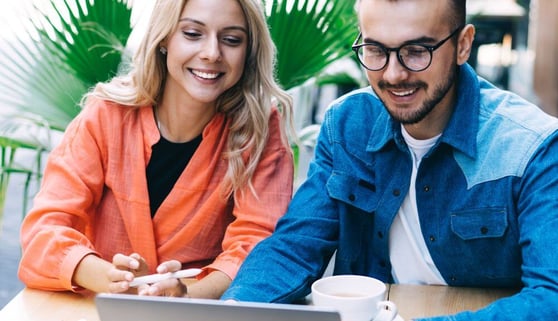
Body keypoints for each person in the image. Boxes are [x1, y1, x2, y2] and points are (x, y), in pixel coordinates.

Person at [219, 0, 558, 320]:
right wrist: (234, 310)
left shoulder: (532, 146)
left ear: (463, 45)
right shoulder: (348, 125)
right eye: (376, 50)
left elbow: (551, 296)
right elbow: (295, 246)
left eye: (416, 51)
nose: (393, 75)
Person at [18, 0, 294, 299]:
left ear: (248, 52)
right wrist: (112, 277)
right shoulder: (106, 115)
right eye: (192, 33)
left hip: (200, 313)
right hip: (95, 307)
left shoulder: (260, 128)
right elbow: (44, 231)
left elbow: (258, 245)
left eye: (231, 40)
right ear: (164, 39)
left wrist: (187, 295)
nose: (212, 53)